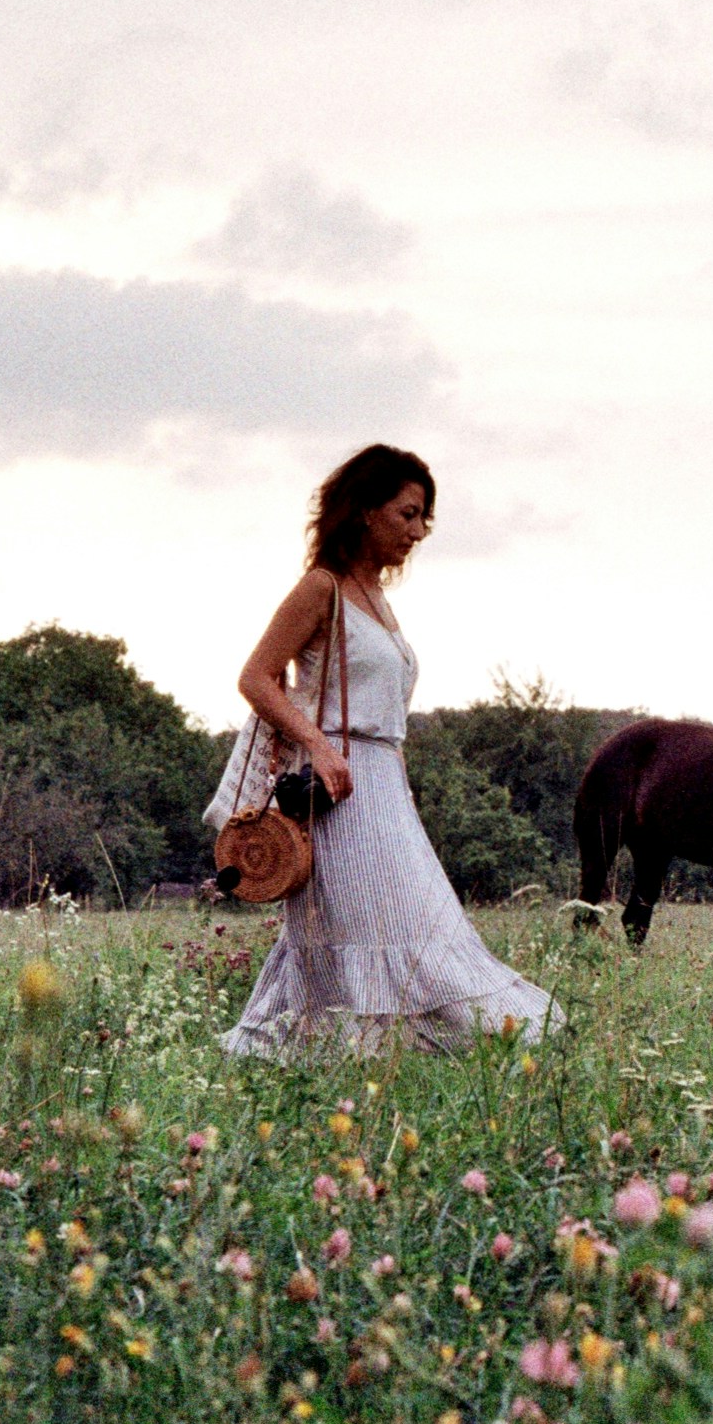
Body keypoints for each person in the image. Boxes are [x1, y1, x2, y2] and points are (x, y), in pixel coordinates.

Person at [208, 446, 560, 1058]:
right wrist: (317, 745)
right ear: (366, 511)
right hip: (336, 787)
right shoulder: (322, 588)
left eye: (425, 518)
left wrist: (400, 786)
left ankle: (408, 1047)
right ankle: (326, 1051)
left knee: (417, 920)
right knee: (355, 927)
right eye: (407, 514)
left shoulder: (378, 600)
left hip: (383, 787)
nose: (418, 532)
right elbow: (256, 676)